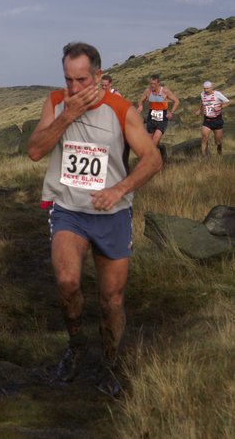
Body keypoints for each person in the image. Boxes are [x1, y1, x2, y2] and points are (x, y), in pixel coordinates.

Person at [28, 42, 162, 397]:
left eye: (82, 80)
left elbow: (152, 160)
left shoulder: (121, 110)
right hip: (68, 209)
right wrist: (67, 116)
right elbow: (35, 151)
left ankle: (111, 363)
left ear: (99, 76)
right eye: (68, 80)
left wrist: (119, 190)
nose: (74, 88)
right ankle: (76, 347)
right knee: (67, 281)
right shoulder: (56, 103)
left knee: (112, 300)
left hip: (112, 214)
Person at [136, 74, 179, 149]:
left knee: (153, 143)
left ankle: (153, 155)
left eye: (154, 84)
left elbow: (176, 101)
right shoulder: (148, 91)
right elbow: (140, 100)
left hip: (162, 119)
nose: (152, 86)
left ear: (158, 83)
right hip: (151, 118)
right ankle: (161, 149)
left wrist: (171, 112)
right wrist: (140, 105)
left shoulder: (165, 91)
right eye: (151, 83)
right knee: (150, 142)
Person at [195, 81, 229, 156]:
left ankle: (219, 152)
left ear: (212, 88)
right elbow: (202, 102)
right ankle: (204, 156)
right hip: (207, 120)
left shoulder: (217, 94)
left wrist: (220, 107)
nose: (206, 90)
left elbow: (228, 102)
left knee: (217, 141)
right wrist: (199, 110)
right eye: (204, 88)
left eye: (207, 88)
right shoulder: (202, 94)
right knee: (204, 137)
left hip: (217, 120)